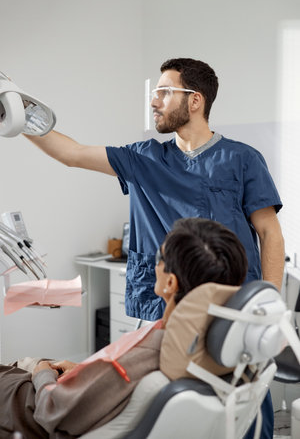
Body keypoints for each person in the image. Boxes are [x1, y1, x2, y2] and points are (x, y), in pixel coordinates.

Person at [23, 57, 285, 323]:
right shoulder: (143, 158)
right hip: (159, 306)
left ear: (195, 101)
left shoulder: (242, 159)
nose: (153, 102)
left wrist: (269, 302)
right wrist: (17, 113)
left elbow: (269, 233)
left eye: (165, 93)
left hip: (229, 304)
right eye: (154, 93)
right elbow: (72, 154)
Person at [0, 218, 249, 438]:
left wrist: (42, 373)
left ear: (171, 282)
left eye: (159, 258)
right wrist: (85, 370)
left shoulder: (148, 354)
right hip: (76, 389)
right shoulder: (209, 348)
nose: (154, 264)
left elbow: (52, 410)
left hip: (29, 409)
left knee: (29, 363)